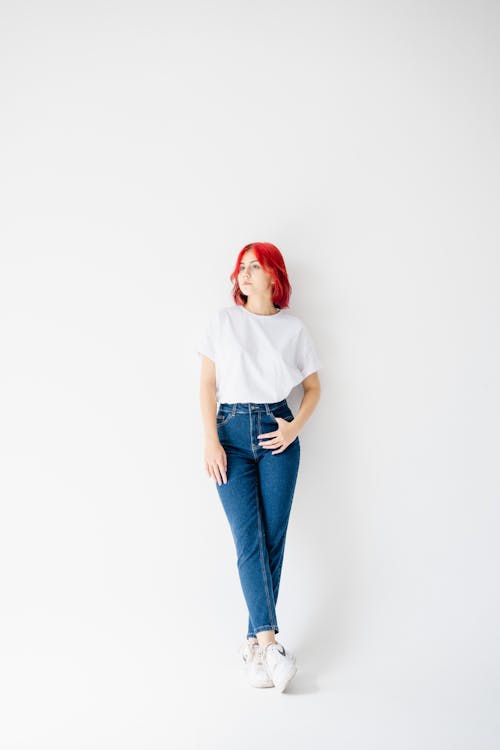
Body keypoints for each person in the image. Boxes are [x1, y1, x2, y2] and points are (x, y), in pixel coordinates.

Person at [197, 242, 322, 692]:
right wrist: (211, 440)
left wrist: (292, 429)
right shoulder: (223, 322)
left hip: (277, 432)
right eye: (241, 268)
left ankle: (254, 642)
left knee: (272, 538)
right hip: (229, 432)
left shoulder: (293, 329)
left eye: (255, 266)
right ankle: (270, 645)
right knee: (247, 539)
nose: (244, 274)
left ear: (274, 276)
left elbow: (313, 389)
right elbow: (208, 385)